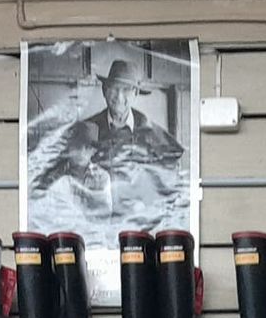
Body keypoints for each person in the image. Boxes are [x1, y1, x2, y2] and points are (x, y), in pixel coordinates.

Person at [33, 57, 185, 221]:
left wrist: (147, 206)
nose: (119, 96)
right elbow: (53, 174)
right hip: (94, 225)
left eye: (126, 89)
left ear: (135, 93)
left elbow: (171, 185)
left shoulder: (152, 134)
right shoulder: (87, 130)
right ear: (105, 90)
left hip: (138, 226)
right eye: (114, 88)